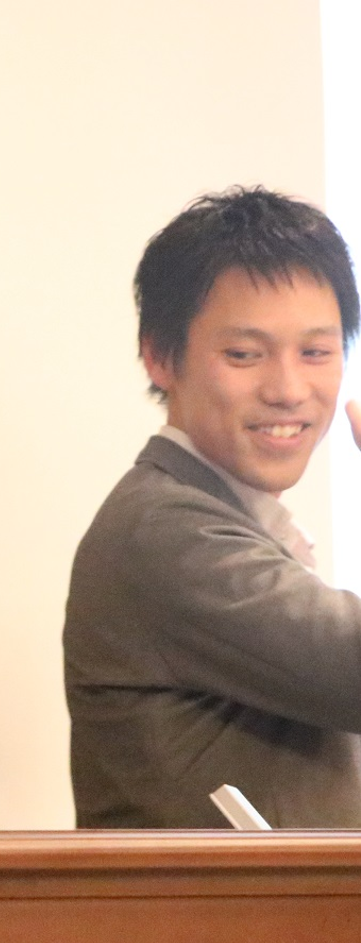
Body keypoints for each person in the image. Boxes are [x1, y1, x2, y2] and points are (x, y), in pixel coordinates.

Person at [64, 186, 361, 829]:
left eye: (316, 351)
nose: (288, 389)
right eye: (244, 354)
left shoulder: (226, 517)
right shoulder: (162, 530)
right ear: (159, 356)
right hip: (209, 902)